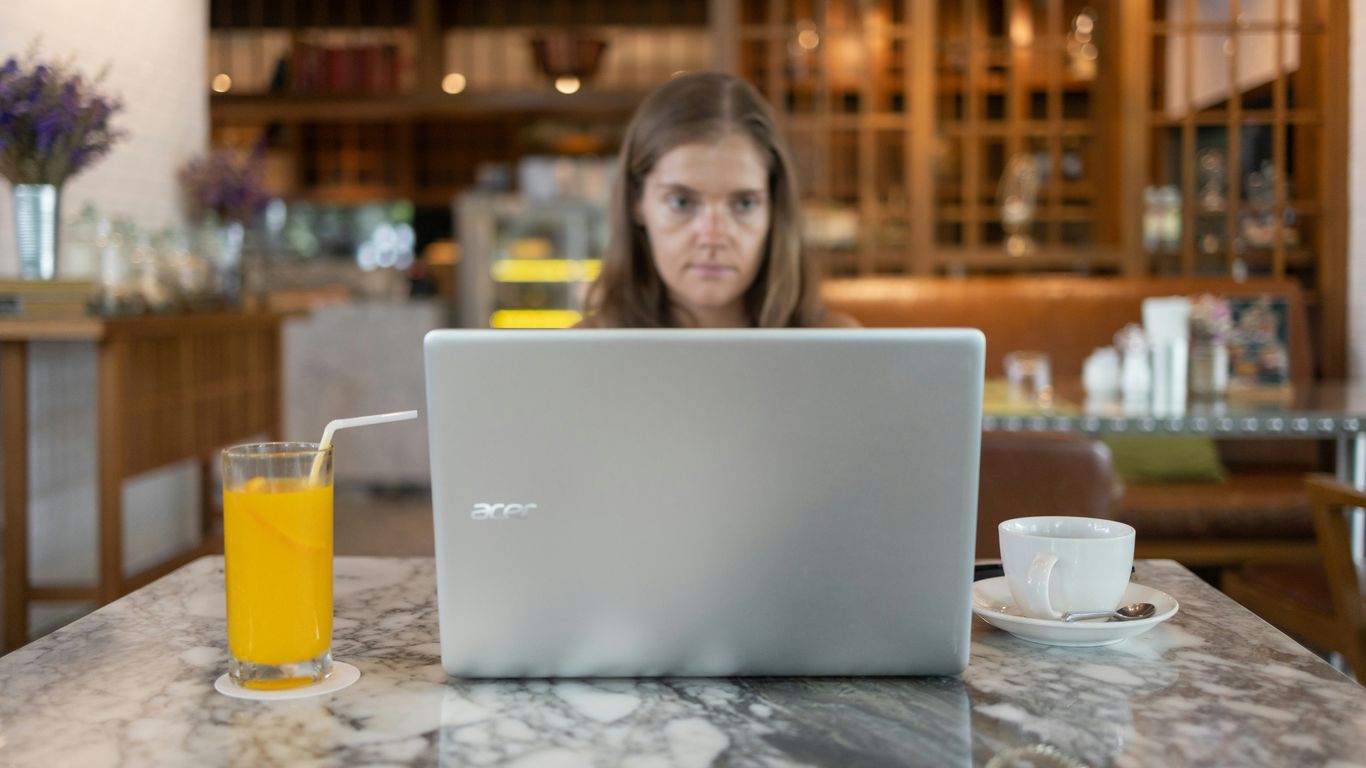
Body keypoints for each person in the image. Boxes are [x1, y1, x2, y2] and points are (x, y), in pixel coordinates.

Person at [577, 71, 857, 329]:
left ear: (774, 208)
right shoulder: (581, 353)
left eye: (744, 204)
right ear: (636, 203)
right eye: (681, 202)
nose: (713, 236)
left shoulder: (839, 348)